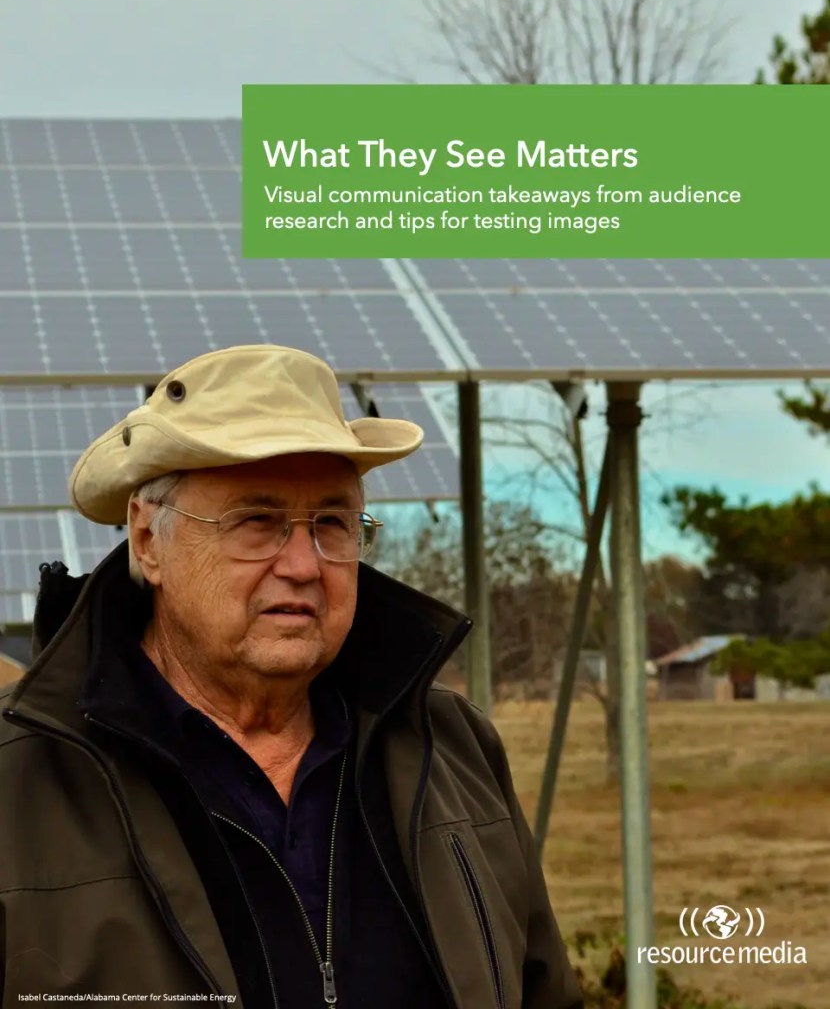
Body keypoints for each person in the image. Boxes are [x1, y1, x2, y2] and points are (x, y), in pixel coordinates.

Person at [0, 344, 583, 1009]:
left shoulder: (454, 749)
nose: (305, 565)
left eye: (332, 523)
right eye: (257, 521)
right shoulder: (20, 779)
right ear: (146, 540)